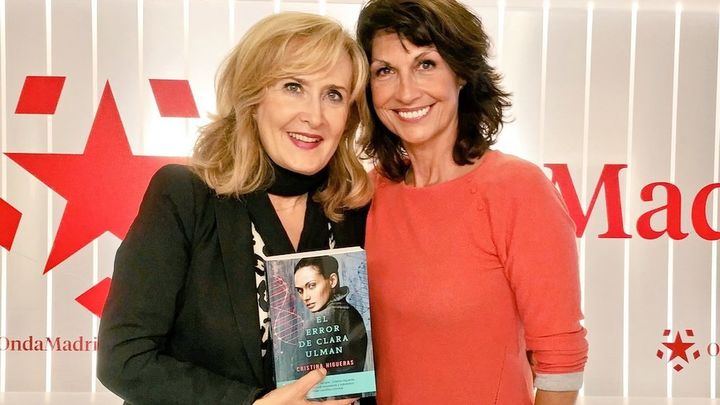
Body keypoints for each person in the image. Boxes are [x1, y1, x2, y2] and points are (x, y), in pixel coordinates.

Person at [97, 12, 372, 405]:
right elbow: (124, 359)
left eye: (333, 94)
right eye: (293, 86)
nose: (314, 115)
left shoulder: (355, 211)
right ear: (252, 98)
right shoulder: (185, 196)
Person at [356, 1, 589, 404]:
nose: (406, 91)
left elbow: (561, 358)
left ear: (461, 73)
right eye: (385, 71)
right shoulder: (366, 193)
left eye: (426, 64)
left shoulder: (517, 189)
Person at [293, 256, 368, 375]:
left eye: (311, 285)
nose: (305, 297)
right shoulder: (350, 311)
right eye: (300, 290)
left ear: (332, 280)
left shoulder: (324, 318)